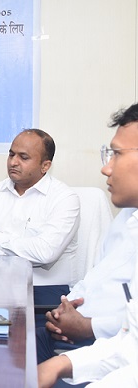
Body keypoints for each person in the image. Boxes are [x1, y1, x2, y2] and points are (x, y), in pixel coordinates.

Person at [39, 104, 138, 387]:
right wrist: (65, 312)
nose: (106, 168)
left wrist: (87, 327)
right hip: (91, 342)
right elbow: (131, 344)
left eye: (117, 154)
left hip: (94, 342)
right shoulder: (127, 217)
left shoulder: (62, 197)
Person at [0, 129, 80, 309]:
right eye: (11, 154)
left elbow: (45, 253)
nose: (13, 162)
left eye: (23, 157)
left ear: (45, 166)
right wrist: (14, 259)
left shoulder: (64, 198)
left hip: (45, 292)